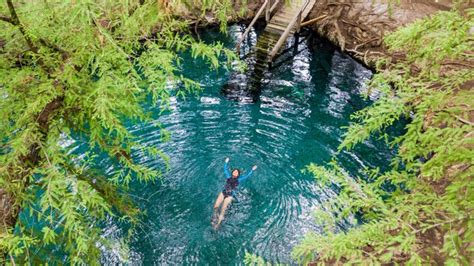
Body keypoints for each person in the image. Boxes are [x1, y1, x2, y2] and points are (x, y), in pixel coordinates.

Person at [212, 157, 257, 229]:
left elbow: (247, 176)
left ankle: (218, 225)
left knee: (223, 210)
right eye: (234, 171)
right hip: (223, 192)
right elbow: (225, 169)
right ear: (232, 172)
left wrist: (252, 170)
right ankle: (214, 218)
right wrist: (226, 162)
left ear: (238, 174)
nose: (235, 172)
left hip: (230, 195)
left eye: (237, 172)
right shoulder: (228, 176)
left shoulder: (240, 179)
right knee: (216, 206)